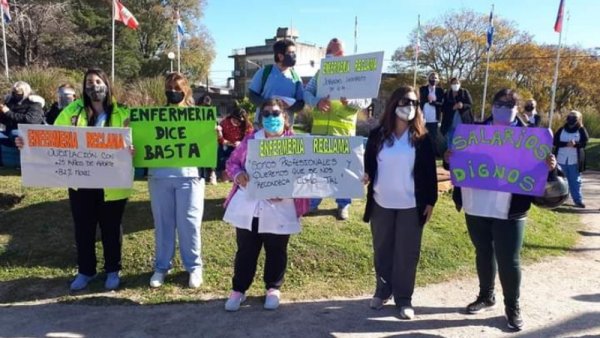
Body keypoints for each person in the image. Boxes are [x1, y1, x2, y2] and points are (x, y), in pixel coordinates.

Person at [445, 88, 559, 331]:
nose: (503, 108)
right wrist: (449, 157)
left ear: (517, 109)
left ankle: (512, 306)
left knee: (509, 259)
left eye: (509, 105)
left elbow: (542, 171)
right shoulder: (473, 132)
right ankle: (486, 295)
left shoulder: (530, 137)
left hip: (512, 208)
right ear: (492, 105)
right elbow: (455, 162)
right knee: (483, 251)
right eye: (500, 103)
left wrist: (550, 166)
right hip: (477, 204)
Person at [15, 68, 131, 291]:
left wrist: (132, 149)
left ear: (106, 84)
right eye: (89, 82)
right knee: (84, 228)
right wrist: (26, 142)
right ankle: (86, 271)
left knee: (111, 228)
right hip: (81, 181)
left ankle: (113, 271)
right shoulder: (72, 111)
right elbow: (51, 138)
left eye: (98, 81)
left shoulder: (123, 112)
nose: (94, 86)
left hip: (112, 183)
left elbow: (136, 138)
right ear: (84, 87)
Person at [222, 98, 309, 311]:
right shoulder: (251, 140)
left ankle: (273, 288)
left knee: (276, 249)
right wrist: (239, 174)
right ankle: (239, 290)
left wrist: (287, 189)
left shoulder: (298, 145)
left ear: (285, 117)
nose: (271, 117)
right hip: (250, 205)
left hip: (282, 207)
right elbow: (232, 163)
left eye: (276, 113)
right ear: (261, 118)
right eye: (267, 114)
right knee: (246, 250)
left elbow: (307, 174)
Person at [362, 86, 438, 319]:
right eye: (406, 101)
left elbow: (430, 173)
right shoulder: (377, 136)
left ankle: (403, 298)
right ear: (394, 104)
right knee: (382, 250)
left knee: (406, 253)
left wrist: (430, 201)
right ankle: (383, 290)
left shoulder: (422, 139)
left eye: (415, 103)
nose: (411, 107)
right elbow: (368, 166)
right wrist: (365, 176)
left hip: (411, 205)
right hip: (381, 203)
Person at [148, 72, 206, 289]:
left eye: (177, 87)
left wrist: (213, 133)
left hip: (189, 177)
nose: (173, 92)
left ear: (186, 90)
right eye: (169, 88)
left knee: (189, 223)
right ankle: (162, 267)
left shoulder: (197, 116)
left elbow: (206, 146)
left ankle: (194, 267)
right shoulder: (155, 117)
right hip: (160, 176)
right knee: (163, 223)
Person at [304, 38, 371, 220]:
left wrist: (350, 100)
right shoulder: (320, 74)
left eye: (336, 52)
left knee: (344, 172)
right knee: (317, 170)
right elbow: (306, 93)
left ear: (343, 55)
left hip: (343, 135)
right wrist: (316, 101)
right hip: (319, 133)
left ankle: (343, 206)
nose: (331, 56)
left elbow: (366, 100)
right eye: (329, 52)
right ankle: (312, 203)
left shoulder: (354, 75)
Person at [248, 39, 305, 128]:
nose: (294, 55)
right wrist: (270, 104)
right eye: (290, 52)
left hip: (285, 128)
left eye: (294, 52)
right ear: (280, 56)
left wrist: (289, 106)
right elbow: (252, 96)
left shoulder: (296, 77)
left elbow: (300, 104)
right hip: (263, 126)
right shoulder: (264, 72)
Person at [553, 110, 589, 208]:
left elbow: (584, 143)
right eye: (570, 116)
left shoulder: (581, 129)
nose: (571, 118)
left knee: (575, 181)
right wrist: (566, 144)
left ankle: (578, 201)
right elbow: (555, 141)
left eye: (574, 117)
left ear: (578, 119)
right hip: (561, 159)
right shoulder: (561, 129)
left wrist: (575, 145)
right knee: (560, 181)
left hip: (574, 160)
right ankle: (558, 200)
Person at [0, 81, 45, 147]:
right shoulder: (11, 100)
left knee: (15, 134)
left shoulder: (34, 102)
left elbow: (31, 120)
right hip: (11, 129)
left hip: (28, 131)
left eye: (19, 93)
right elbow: (7, 120)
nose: (16, 94)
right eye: (14, 92)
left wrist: (8, 112)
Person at [217, 107, 253, 181]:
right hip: (225, 145)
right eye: (234, 120)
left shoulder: (247, 126)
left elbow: (250, 137)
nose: (236, 122)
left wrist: (241, 143)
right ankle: (220, 173)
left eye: (239, 121)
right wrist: (224, 141)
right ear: (231, 117)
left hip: (239, 147)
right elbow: (219, 137)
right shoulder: (224, 122)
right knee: (221, 156)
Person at [440, 77, 473, 146]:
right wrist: (452, 108)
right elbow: (443, 108)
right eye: (454, 83)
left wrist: (462, 105)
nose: (456, 84)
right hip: (450, 123)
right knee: (450, 141)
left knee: (462, 142)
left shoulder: (464, 92)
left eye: (457, 83)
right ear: (451, 84)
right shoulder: (447, 94)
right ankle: (450, 155)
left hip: (462, 122)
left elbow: (470, 104)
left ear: (460, 84)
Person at [419, 72, 444, 148]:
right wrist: (427, 99)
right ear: (429, 79)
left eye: (435, 78)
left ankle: (432, 156)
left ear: (438, 80)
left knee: (433, 139)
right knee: (422, 138)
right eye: (432, 78)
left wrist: (434, 103)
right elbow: (420, 99)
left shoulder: (440, 90)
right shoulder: (422, 89)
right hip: (423, 117)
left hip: (434, 119)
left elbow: (442, 104)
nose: (434, 79)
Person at [197, 94, 218, 185]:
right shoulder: (194, 115)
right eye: (204, 105)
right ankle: (200, 175)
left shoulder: (211, 115)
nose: (206, 108)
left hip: (209, 139)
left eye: (207, 106)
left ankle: (212, 174)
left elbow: (215, 126)